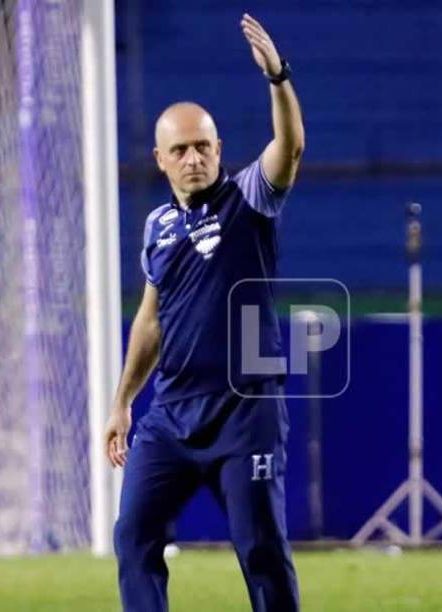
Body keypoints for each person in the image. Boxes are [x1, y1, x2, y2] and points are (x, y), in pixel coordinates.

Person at [104, 14, 305, 612]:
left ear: (219, 149)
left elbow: (289, 147)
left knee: (260, 546)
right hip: (170, 414)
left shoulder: (249, 198)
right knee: (133, 536)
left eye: (203, 146)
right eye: (180, 150)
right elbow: (149, 320)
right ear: (160, 159)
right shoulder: (157, 227)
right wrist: (122, 401)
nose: (193, 158)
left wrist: (278, 79)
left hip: (245, 411)